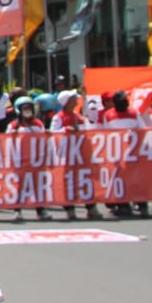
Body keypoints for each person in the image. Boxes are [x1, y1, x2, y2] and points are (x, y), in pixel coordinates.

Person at [49, 90, 101, 221]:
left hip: (81, 154)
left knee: (86, 180)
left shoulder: (78, 116)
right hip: (67, 156)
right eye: (73, 99)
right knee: (68, 182)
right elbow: (53, 133)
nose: (76, 101)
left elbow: (88, 126)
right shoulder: (59, 117)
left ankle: (91, 207)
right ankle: (70, 209)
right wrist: (66, 130)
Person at [99, 91, 148, 217]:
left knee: (137, 180)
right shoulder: (108, 115)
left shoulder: (134, 113)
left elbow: (143, 129)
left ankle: (142, 205)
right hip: (118, 154)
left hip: (134, 153)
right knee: (120, 180)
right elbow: (106, 134)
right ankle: (123, 205)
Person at [6, 97, 52, 222]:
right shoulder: (14, 125)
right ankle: (17, 210)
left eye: (29, 108)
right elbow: (7, 142)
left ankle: (40, 210)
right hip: (21, 161)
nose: (27, 111)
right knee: (20, 186)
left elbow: (44, 140)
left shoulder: (38, 123)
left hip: (36, 161)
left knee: (38, 186)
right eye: (25, 108)